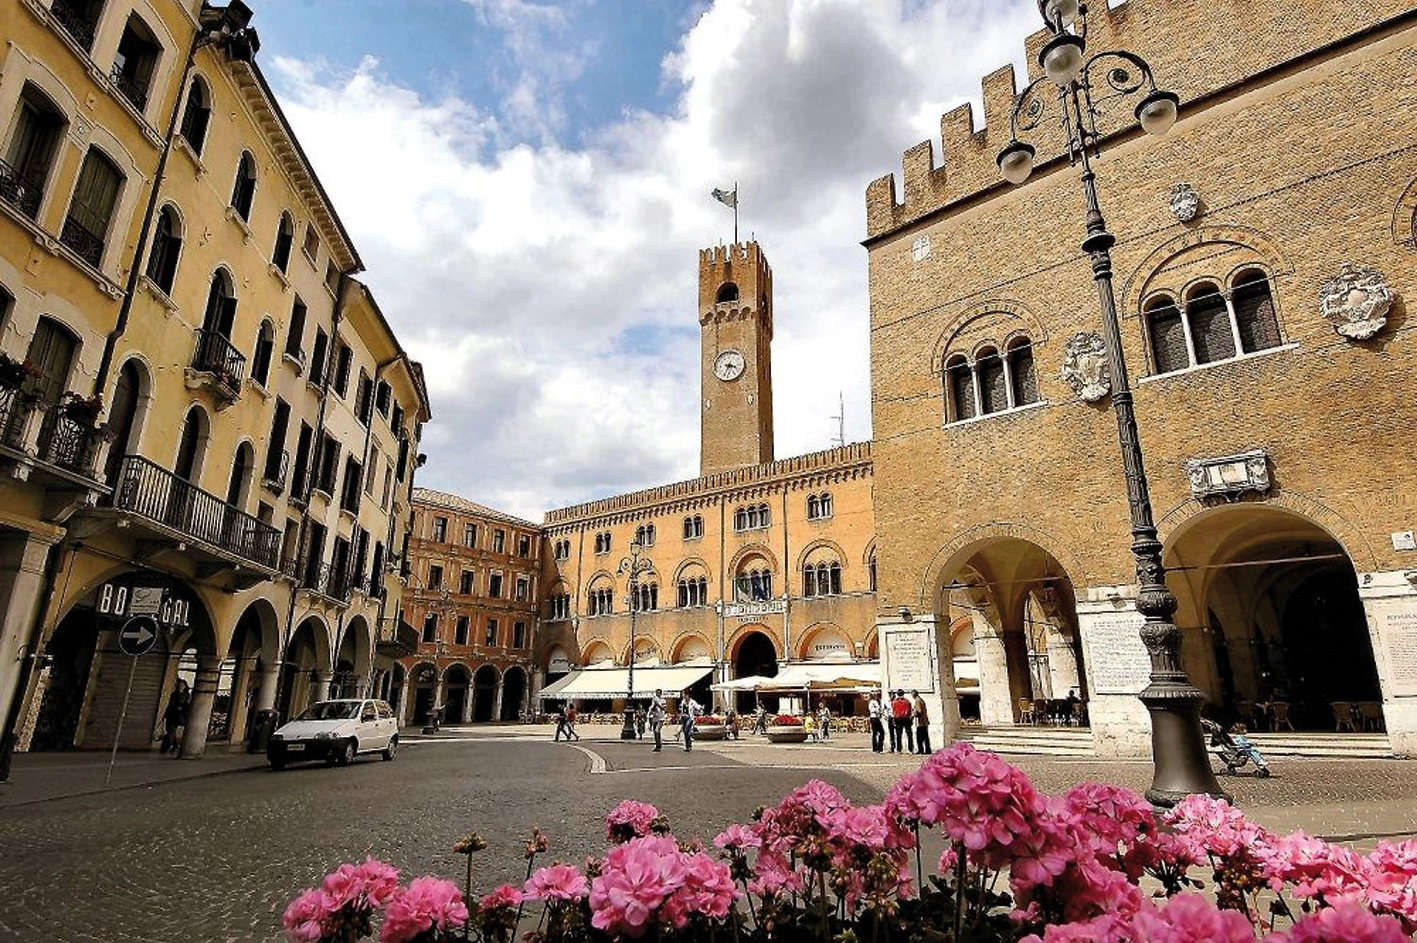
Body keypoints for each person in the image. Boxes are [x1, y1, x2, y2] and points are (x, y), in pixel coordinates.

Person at [160, 678, 190, 755]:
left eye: (182, 685)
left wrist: (182, 709)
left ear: (185, 686)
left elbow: (186, 706)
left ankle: (168, 746)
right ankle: (175, 745)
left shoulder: (186, 695)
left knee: (171, 731)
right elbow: (169, 705)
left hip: (178, 715)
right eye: (180, 685)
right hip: (171, 714)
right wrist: (165, 714)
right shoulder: (173, 694)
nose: (180, 686)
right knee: (170, 730)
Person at [912, 690, 931, 754]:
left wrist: (913, 714)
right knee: (925, 737)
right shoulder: (921, 700)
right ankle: (927, 749)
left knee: (919, 737)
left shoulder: (917, 701)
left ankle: (921, 750)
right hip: (924, 721)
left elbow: (918, 711)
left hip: (920, 722)